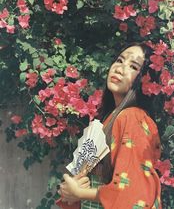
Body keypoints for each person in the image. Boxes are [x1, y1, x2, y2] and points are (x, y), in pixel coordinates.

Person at [57, 42, 162, 209]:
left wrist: (80, 193)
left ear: (145, 81)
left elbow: (134, 190)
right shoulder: (110, 118)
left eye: (133, 66)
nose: (120, 69)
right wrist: (69, 190)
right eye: (120, 60)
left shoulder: (133, 117)